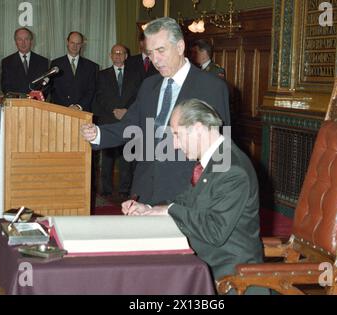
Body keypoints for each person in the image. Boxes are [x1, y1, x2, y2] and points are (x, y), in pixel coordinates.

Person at [122, 99, 267, 294]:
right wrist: (150, 208)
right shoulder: (218, 158)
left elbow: (215, 231)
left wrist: (171, 210)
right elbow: (188, 201)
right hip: (204, 262)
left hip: (230, 275)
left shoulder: (232, 169)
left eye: (176, 135)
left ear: (198, 128)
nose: (174, 144)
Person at [80, 17, 230, 205]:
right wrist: (98, 134)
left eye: (161, 50)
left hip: (187, 192)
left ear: (180, 46)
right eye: (150, 53)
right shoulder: (149, 85)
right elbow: (131, 124)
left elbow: (220, 148)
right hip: (144, 189)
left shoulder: (211, 87)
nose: (155, 60)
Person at [93, 44, 142, 198]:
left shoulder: (136, 74)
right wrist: (114, 110)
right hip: (108, 118)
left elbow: (138, 96)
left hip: (128, 119)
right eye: (115, 52)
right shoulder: (101, 75)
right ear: (110, 55)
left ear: (126, 56)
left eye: (121, 53)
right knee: (107, 158)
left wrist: (126, 111)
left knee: (126, 157)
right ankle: (106, 189)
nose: (118, 55)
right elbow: (99, 97)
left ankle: (124, 190)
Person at [50, 31, 98, 112]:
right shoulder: (56, 64)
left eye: (78, 43)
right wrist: (67, 107)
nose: (75, 46)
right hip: (62, 110)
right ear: (67, 42)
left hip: (83, 111)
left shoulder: (91, 66)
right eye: (72, 43)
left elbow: (91, 90)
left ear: (82, 45)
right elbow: (53, 90)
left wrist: (78, 106)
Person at [1, 27, 49, 95]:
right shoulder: (7, 62)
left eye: (26, 39)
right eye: (19, 39)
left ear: (31, 41)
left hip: (36, 103)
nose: (23, 43)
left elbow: (45, 86)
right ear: (15, 42)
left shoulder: (43, 61)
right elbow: (5, 87)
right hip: (16, 103)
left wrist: (35, 98)